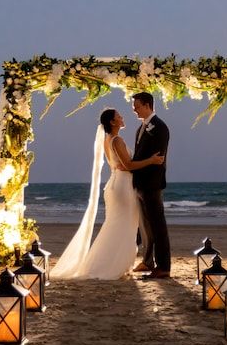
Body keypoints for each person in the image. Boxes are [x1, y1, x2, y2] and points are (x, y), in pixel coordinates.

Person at [50, 108, 164, 280]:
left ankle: (113, 263)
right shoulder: (116, 140)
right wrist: (152, 160)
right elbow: (128, 165)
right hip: (123, 186)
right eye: (119, 116)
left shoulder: (107, 140)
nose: (122, 117)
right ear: (112, 122)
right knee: (125, 226)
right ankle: (110, 265)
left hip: (116, 184)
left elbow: (119, 165)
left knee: (117, 225)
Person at [131, 92, 171, 279]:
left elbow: (158, 159)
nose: (134, 109)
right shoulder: (141, 127)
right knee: (146, 226)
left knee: (158, 226)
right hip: (140, 184)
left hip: (152, 185)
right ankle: (149, 261)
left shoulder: (160, 127)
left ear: (147, 105)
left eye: (137, 105)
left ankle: (163, 267)